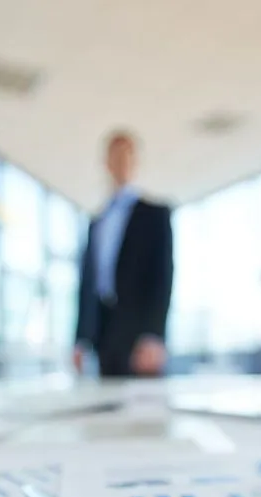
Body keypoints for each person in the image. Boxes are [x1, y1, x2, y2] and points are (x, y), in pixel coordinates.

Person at [73, 130, 174, 378]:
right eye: (115, 156)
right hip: (103, 333)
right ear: (106, 163)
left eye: (126, 156)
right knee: (105, 409)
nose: (120, 162)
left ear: (135, 161)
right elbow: (88, 284)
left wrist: (154, 335)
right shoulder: (96, 221)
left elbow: (163, 275)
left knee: (144, 410)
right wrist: (80, 338)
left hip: (139, 335)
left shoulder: (155, 214)